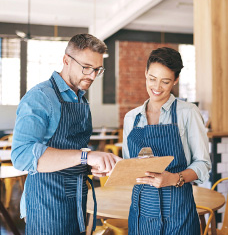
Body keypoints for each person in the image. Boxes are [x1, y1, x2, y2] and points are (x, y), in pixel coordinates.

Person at [11, 34, 121, 234]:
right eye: (87, 67)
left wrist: (90, 164)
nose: (93, 76)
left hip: (76, 199)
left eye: (97, 69)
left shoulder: (80, 99)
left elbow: (74, 152)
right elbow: (22, 156)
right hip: (46, 203)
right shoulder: (40, 97)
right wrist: (86, 156)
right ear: (66, 60)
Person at [122, 47, 211, 235]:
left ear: (176, 80)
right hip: (141, 212)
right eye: (152, 79)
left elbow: (203, 164)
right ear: (145, 73)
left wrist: (174, 178)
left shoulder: (187, 113)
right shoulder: (131, 118)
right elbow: (129, 165)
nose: (156, 87)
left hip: (178, 212)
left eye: (165, 81)